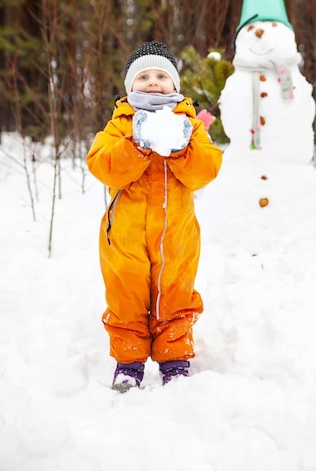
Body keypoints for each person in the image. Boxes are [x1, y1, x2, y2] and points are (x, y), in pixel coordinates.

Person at [87, 41, 222, 391]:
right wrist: (136, 144)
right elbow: (103, 166)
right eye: (143, 76)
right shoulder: (120, 124)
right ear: (130, 86)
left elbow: (205, 170)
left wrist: (180, 151)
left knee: (175, 294)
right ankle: (129, 362)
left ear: (175, 85)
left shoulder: (189, 125)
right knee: (126, 296)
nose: (152, 82)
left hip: (176, 235)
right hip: (126, 237)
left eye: (161, 75)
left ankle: (175, 359)